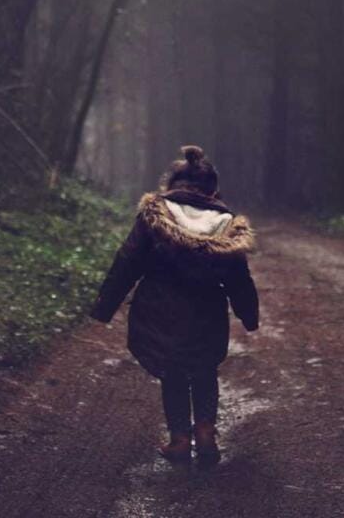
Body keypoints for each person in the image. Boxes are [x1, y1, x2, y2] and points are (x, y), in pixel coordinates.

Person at [90, 145, 259, 466]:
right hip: (207, 308)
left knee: (174, 373)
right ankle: (206, 431)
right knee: (205, 369)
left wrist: (105, 305)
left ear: (171, 185)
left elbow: (128, 261)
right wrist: (248, 315)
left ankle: (180, 439)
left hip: (160, 307)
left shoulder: (155, 215)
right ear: (213, 189)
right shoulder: (226, 224)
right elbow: (239, 277)